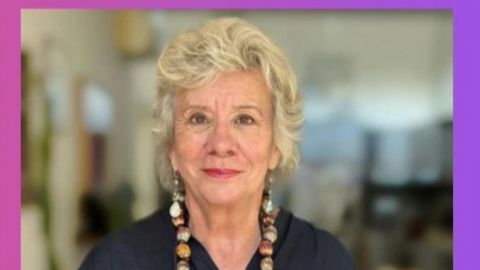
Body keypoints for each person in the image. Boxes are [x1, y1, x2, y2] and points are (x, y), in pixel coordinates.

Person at [79, 17, 356, 270]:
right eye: (198, 119)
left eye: (244, 119)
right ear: (171, 147)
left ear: (276, 147)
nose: (221, 144)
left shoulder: (325, 260)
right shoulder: (116, 261)